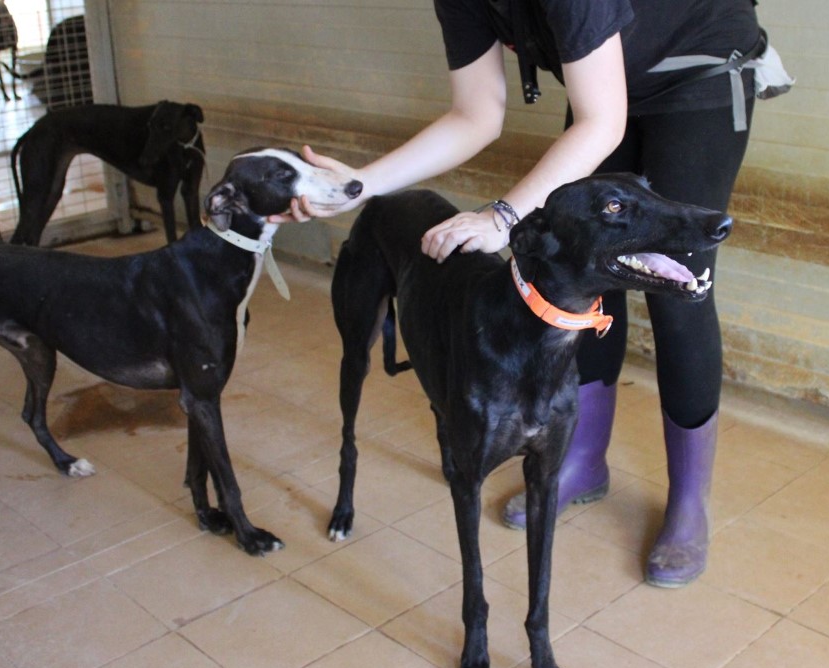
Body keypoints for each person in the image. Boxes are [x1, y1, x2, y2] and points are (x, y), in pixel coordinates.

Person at [282, 0, 780, 588]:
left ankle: (689, 502)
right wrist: (359, 185)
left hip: (696, 69)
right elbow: (475, 114)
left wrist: (503, 215)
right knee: (585, 270)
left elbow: (602, 123)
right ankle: (582, 460)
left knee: (678, 288)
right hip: (607, 84)